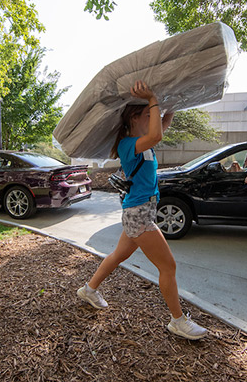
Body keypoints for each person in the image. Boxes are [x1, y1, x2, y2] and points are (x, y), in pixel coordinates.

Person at [76, 80, 208, 340]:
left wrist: (170, 104)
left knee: (117, 255)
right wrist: (152, 98)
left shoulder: (143, 141)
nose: (154, 119)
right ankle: (177, 321)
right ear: (135, 118)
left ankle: (89, 289)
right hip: (139, 214)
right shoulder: (128, 144)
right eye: (149, 115)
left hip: (139, 211)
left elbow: (163, 127)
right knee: (168, 267)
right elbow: (157, 134)